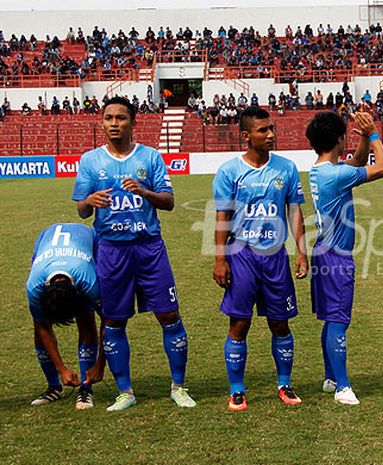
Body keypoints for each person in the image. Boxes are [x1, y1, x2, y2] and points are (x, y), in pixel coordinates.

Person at [72, 96, 195, 411]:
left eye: (121, 118)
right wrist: (91, 201)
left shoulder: (151, 157)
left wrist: (144, 191)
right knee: (113, 321)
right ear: (103, 122)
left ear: (133, 122)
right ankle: (125, 392)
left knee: (169, 316)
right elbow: (82, 211)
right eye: (109, 118)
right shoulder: (90, 161)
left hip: (148, 247)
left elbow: (168, 201)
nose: (114, 124)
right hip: (111, 251)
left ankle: (178, 387)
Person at [212, 107, 308, 412]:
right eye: (263, 130)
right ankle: (237, 389)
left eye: (271, 129)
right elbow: (222, 218)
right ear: (246, 136)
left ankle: (284, 383)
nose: (270, 134)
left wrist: (302, 250)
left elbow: (294, 211)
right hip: (241, 254)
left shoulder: (286, 168)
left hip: (275, 256)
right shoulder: (230, 171)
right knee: (239, 323)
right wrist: (220, 260)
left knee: (280, 323)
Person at [306, 109, 383, 405]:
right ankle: (343, 387)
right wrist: (374, 133)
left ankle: (331, 378)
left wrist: (365, 140)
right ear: (340, 139)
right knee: (339, 319)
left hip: (322, 251)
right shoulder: (335, 174)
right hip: (336, 256)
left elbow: (356, 163)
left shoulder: (321, 170)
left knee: (331, 318)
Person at [26, 223, 105, 409]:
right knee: (39, 324)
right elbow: (43, 327)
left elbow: (109, 322)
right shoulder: (34, 287)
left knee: (86, 318)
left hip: (88, 241)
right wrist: (61, 369)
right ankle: (54, 387)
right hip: (46, 237)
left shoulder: (88, 281)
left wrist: (100, 365)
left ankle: (86, 388)